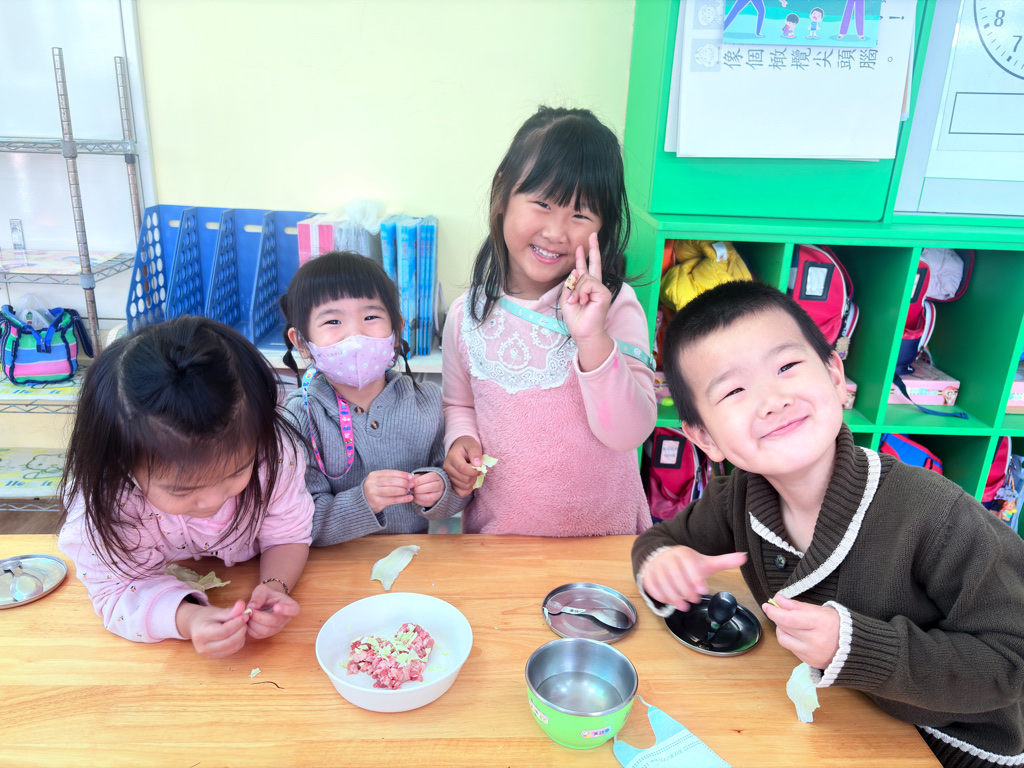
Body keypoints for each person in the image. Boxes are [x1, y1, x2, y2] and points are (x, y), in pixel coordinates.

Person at [631, 280, 1024, 767]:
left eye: (787, 367)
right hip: (849, 717)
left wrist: (854, 647)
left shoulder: (934, 515)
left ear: (836, 376)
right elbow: (660, 540)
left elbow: (1011, 659)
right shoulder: (737, 497)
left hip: (957, 746)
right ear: (704, 438)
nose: (773, 399)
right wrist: (663, 563)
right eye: (734, 390)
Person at [442, 106, 657, 536]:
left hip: (604, 539)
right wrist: (460, 441)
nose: (557, 232)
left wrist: (592, 338)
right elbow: (459, 405)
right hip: (501, 541)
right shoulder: (465, 315)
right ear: (502, 194)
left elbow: (629, 433)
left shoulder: (615, 306)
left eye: (580, 214)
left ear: (603, 226)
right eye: (542, 203)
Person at [58, 317, 314, 659]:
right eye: (182, 491)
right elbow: (115, 592)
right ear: (122, 464)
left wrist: (275, 586)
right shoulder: (109, 500)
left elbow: (287, 535)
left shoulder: (273, 454)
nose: (212, 500)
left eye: (236, 472)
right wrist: (188, 618)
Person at [281, 251, 466, 545]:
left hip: (413, 557)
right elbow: (298, 523)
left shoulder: (428, 402)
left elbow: (461, 489)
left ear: (397, 330)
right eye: (333, 321)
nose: (355, 334)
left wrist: (441, 489)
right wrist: (362, 501)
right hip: (332, 564)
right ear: (302, 343)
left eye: (370, 317)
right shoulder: (299, 417)